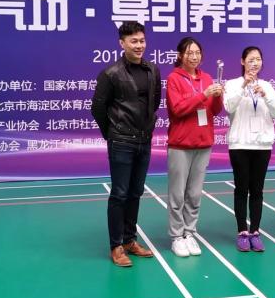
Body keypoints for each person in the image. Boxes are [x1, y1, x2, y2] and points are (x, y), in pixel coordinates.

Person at [92, 21, 162, 267]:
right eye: (134, 41)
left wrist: (147, 128)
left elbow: (155, 102)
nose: (139, 45)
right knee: (119, 194)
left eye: (142, 40)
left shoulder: (152, 70)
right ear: (122, 43)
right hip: (121, 141)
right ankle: (116, 246)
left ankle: (130, 239)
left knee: (136, 192)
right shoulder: (111, 74)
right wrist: (112, 134)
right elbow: (97, 108)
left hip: (144, 140)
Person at [165, 37, 224, 257]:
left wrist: (217, 96)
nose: (194, 57)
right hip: (181, 144)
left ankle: (189, 233)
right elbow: (178, 109)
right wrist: (203, 94)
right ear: (180, 55)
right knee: (177, 194)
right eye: (189, 53)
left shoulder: (206, 78)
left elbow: (215, 110)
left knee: (195, 194)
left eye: (197, 52)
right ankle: (176, 236)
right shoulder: (174, 78)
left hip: (203, 142)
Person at [224, 46, 275, 252]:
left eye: (258, 59)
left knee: (257, 190)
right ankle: (242, 231)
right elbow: (228, 107)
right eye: (251, 59)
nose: (255, 63)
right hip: (240, 144)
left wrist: (266, 95)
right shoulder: (232, 84)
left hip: (262, 145)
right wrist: (243, 86)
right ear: (242, 61)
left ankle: (255, 232)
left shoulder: (267, 86)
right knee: (241, 189)